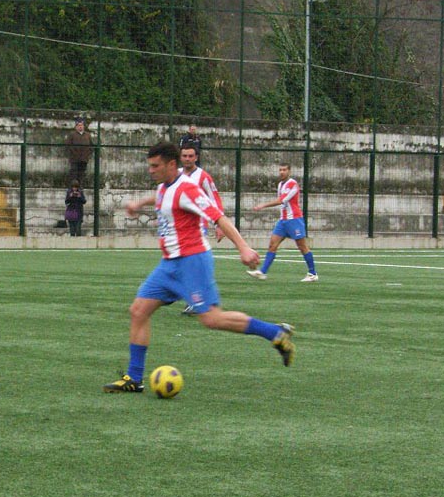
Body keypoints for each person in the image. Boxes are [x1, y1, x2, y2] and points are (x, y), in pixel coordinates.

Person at [102, 141, 295, 394]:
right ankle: (134, 378)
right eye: (149, 165)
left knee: (212, 319)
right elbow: (160, 196)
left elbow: (218, 217)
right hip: (168, 264)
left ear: (172, 165)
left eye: (155, 166)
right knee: (138, 310)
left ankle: (275, 333)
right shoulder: (165, 186)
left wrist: (243, 248)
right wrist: (139, 204)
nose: (150, 170)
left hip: (192, 262)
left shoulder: (188, 190)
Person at [246, 163, 319, 283]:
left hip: (294, 219)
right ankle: (262, 272)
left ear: (289, 171)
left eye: (284, 170)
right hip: (283, 221)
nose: (281, 172)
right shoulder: (280, 184)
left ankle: (312, 273)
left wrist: (263, 205)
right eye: (280, 170)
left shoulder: (293, 184)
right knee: (272, 245)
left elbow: (281, 200)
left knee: (302, 246)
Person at [178, 144, 224, 242]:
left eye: (190, 156)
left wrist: (219, 225)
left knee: (194, 254)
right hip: (178, 225)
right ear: (180, 157)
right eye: (184, 156)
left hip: (198, 226)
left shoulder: (204, 176)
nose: (187, 159)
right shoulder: (175, 175)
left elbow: (214, 200)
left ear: (196, 158)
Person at [64, 115, 92, 185]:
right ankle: (73, 189)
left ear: (84, 126)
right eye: (79, 125)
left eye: (81, 125)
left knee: (81, 174)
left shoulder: (88, 135)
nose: (80, 127)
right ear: (76, 126)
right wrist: (72, 153)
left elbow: (91, 146)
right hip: (74, 159)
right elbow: (67, 145)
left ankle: (80, 189)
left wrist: (88, 154)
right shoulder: (72, 135)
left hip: (84, 159)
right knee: (74, 174)